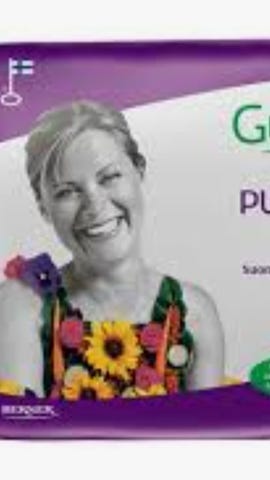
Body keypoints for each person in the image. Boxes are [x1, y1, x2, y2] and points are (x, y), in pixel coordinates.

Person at [0, 101, 224, 400]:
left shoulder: (195, 313)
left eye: (109, 177)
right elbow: (24, 426)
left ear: (139, 171)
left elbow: (207, 428)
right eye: (66, 192)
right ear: (44, 208)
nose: (95, 205)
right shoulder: (23, 304)